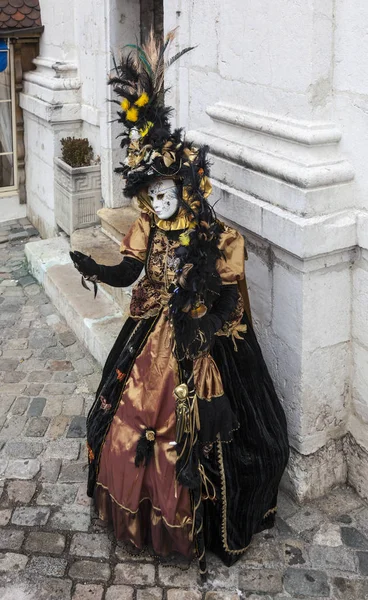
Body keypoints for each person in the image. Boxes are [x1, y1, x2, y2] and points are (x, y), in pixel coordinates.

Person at [70, 30, 289, 577]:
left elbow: (224, 292)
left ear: (185, 188)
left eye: (167, 194)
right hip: (151, 329)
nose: (160, 205)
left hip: (197, 337)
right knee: (127, 409)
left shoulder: (210, 232)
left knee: (207, 431)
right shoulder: (149, 223)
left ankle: (200, 518)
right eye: (152, 197)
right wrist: (99, 269)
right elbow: (132, 268)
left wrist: (206, 321)